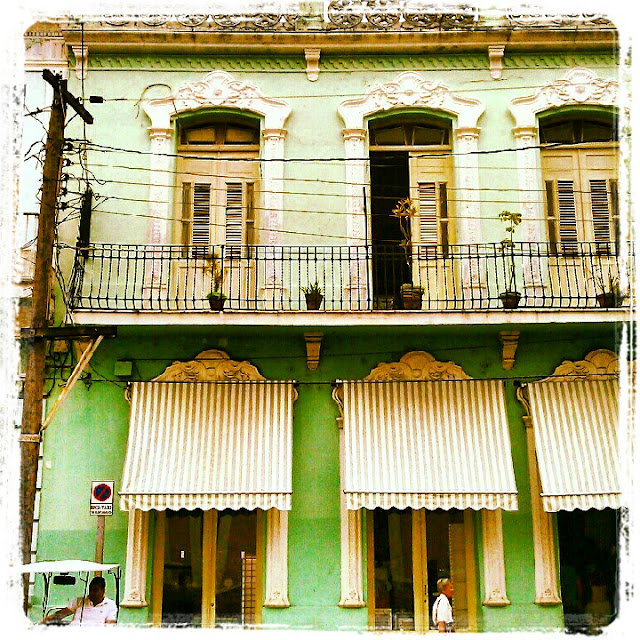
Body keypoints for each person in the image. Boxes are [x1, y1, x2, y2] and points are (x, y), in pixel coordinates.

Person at [42, 576, 118, 626]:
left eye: (95, 590)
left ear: (103, 590)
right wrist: (44, 622)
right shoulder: (79, 601)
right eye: (90, 589)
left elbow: (110, 626)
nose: (92, 592)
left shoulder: (110, 605)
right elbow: (60, 614)